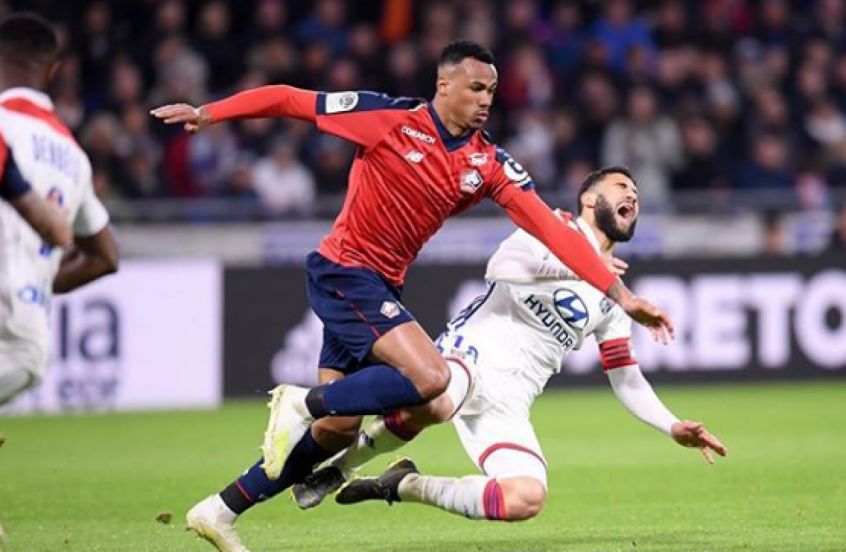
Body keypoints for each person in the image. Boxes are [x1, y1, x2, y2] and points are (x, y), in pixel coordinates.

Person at [152, 41, 672, 551]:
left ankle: (220, 510)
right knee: (430, 378)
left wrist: (620, 296)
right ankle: (299, 403)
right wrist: (209, 113)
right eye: (475, 88)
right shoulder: (387, 118)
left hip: (381, 284)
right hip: (344, 271)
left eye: (491, 90)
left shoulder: (486, 161)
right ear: (444, 85)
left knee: (337, 430)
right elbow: (292, 99)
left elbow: (549, 228)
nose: (486, 99)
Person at [300, 166, 727, 522]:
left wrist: (672, 426)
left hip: (511, 400)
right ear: (588, 199)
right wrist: (582, 268)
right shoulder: (551, 228)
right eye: (621, 187)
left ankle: (403, 484)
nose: (632, 196)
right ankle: (337, 466)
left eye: (636, 193)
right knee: (436, 403)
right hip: (468, 355)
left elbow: (626, 379)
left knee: (525, 499)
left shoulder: (614, 298)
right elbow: (501, 266)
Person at [0, 13, 119, 406]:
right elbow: (105, 257)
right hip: (23, 328)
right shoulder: (73, 155)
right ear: (53, 71)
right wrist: (34, 279)